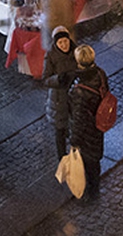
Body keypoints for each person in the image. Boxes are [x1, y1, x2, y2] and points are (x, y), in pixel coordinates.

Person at [69, 46, 110, 201]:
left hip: (87, 133)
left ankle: (91, 193)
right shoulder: (100, 73)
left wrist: (74, 141)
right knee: (95, 160)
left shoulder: (79, 90)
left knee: (88, 163)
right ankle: (95, 189)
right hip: (99, 126)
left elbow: (79, 119)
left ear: (78, 61)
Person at [40, 25, 80, 158]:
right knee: (60, 130)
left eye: (66, 41)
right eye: (60, 42)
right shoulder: (51, 55)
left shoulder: (76, 51)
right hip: (59, 99)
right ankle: (62, 158)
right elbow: (46, 79)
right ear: (56, 43)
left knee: (76, 126)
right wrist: (58, 79)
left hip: (75, 95)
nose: (64, 45)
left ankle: (77, 156)